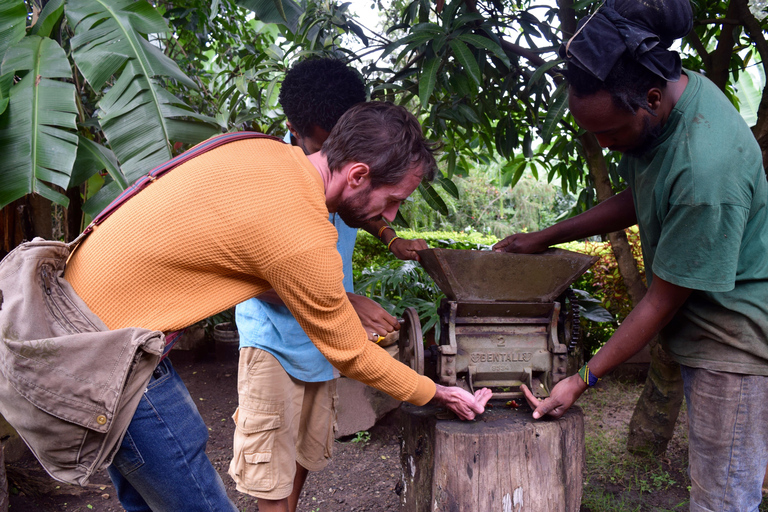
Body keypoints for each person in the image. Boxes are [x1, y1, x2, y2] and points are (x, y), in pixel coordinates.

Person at [64, 100, 492, 512]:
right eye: (394, 200)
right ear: (359, 175)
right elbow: (352, 353)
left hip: (80, 317)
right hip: (107, 353)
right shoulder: (303, 230)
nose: (392, 217)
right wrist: (438, 391)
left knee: (149, 497)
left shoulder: (259, 149)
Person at [494, 0, 768, 510]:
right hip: (703, 329)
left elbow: (662, 299)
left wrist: (582, 379)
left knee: (723, 498)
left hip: (733, 342)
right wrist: (545, 236)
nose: (608, 145)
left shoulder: (708, 171)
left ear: (651, 97)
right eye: (595, 134)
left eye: (613, 133)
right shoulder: (674, 99)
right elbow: (644, 196)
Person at [233, 58, 426, 512]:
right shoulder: (271, 177)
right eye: (324, 144)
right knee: (270, 474)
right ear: (294, 129)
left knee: (304, 453)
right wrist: (344, 300)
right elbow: (250, 277)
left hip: (322, 339)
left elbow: (358, 207)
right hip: (273, 339)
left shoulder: (348, 163)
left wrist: (391, 237)